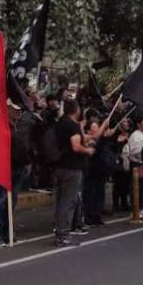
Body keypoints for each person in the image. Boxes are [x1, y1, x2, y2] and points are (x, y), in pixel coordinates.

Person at [0, 101, 36, 246]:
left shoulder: (17, 126)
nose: (18, 112)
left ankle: (7, 231)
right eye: (15, 109)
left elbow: (22, 147)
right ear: (8, 109)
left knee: (12, 200)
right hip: (5, 168)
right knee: (2, 200)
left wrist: (27, 162)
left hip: (18, 167)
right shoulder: (2, 127)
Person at [52, 99, 94, 247]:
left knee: (61, 200)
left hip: (59, 166)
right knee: (68, 201)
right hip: (71, 167)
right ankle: (63, 234)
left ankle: (59, 230)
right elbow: (76, 146)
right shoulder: (72, 125)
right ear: (76, 110)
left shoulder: (61, 123)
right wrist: (88, 150)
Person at [127, 116, 143, 218]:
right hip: (138, 163)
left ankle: (141, 207)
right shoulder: (135, 135)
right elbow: (134, 151)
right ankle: (135, 209)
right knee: (136, 187)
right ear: (138, 124)